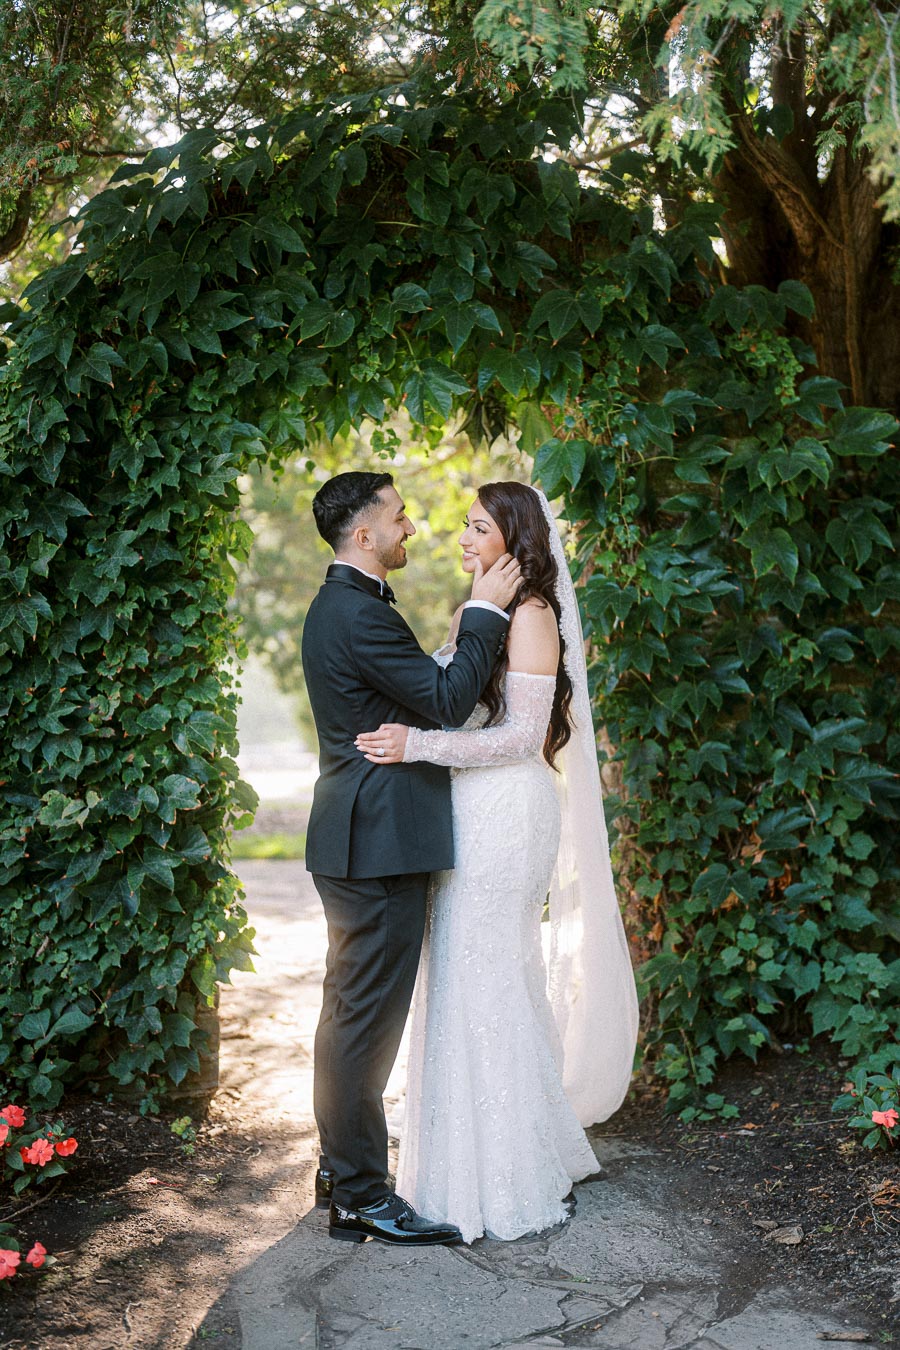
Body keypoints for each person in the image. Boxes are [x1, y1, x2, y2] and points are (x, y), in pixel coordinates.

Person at [356, 481, 640, 1244]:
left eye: (477, 527)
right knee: (459, 970)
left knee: (487, 972)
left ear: (514, 541)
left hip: (509, 808)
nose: (459, 537)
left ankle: (508, 1171)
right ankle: (457, 1161)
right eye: (462, 526)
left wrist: (415, 746)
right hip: (465, 808)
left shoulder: (536, 617)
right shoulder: (472, 613)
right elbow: (452, 700)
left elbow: (520, 737)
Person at [301, 470, 523, 1246]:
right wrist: (487, 614)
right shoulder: (358, 616)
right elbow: (447, 701)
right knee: (364, 1026)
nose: (413, 528)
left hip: (359, 836)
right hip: (379, 842)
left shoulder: (345, 608)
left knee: (346, 1018)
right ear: (364, 535)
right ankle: (361, 1194)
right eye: (400, 517)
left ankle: (340, 1168)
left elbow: (413, 693)